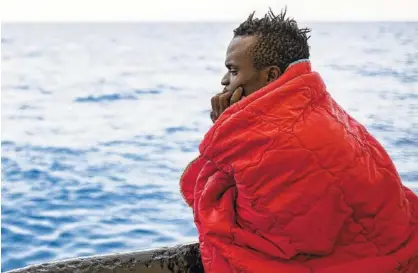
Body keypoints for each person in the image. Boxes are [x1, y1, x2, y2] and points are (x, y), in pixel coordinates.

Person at [180, 9, 418, 273]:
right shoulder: (325, 110)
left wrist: (225, 127)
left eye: (233, 70)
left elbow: (226, 221)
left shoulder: (274, 142)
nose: (225, 81)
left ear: (270, 76)